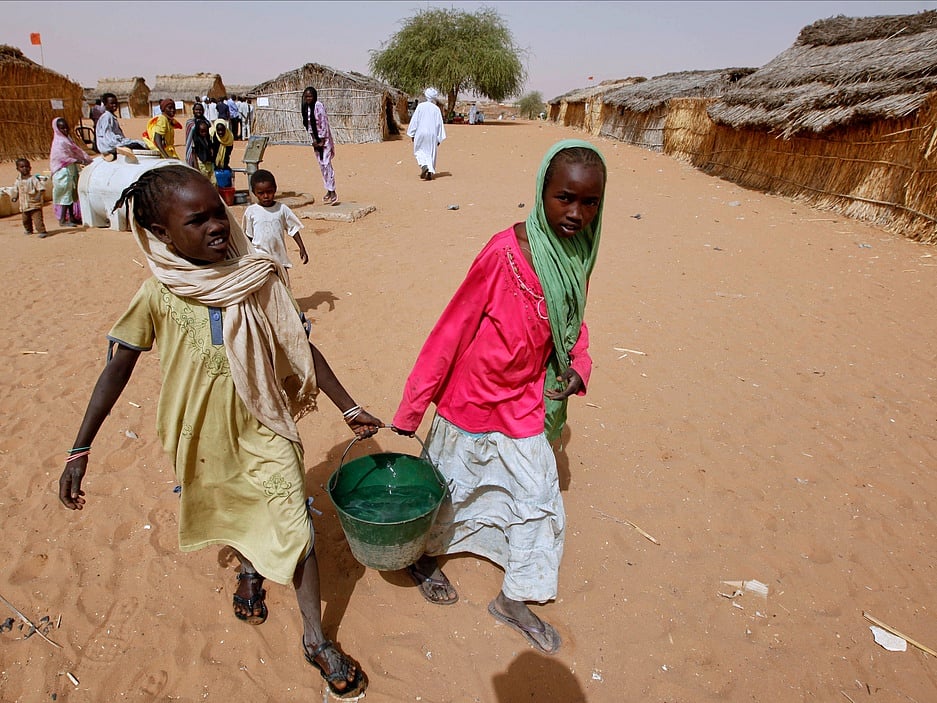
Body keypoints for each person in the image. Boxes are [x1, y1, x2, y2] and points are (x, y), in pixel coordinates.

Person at [58, 164, 381, 698]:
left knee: (297, 530)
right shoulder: (157, 294)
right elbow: (116, 369)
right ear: (161, 233)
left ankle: (316, 638)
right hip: (200, 437)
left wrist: (348, 407)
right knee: (233, 508)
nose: (217, 226)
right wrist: (80, 447)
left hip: (264, 424)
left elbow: (298, 347)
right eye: (197, 219)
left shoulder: (255, 276)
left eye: (219, 212)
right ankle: (251, 569)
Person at [391, 140, 607, 656]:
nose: (576, 213)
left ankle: (515, 598)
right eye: (564, 198)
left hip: (525, 402)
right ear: (541, 193)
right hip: (472, 396)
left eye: (589, 202)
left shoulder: (578, 251)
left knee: (537, 497)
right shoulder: (504, 252)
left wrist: (579, 367)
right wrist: (413, 405)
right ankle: (423, 558)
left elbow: (572, 322)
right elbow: (453, 326)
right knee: (448, 487)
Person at [242, 169, 308, 288]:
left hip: (279, 256)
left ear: (275, 189)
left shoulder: (282, 209)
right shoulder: (251, 212)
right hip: (260, 257)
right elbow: (249, 236)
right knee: (263, 286)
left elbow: (293, 229)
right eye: (261, 193)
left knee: (283, 285)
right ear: (254, 192)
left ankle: (286, 305)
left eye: (269, 192)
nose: (266, 196)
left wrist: (302, 247)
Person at [50, 117, 93, 227]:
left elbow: (75, 151)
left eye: (66, 128)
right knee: (65, 195)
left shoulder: (67, 140)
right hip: (62, 172)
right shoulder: (59, 143)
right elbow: (62, 158)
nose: (65, 130)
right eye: (62, 128)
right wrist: (80, 160)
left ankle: (72, 217)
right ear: (57, 129)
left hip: (70, 170)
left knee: (72, 194)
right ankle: (63, 219)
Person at [300, 87, 338, 205]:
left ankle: (333, 191)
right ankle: (328, 189)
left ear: (314, 96)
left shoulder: (318, 106)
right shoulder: (305, 107)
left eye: (310, 96)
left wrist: (321, 139)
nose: (308, 99)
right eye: (306, 97)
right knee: (322, 165)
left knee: (327, 164)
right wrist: (314, 140)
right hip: (315, 139)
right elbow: (308, 124)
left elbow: (324, 123)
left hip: (324, 139)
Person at [406, 88, 446, 181]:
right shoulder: (436, 109)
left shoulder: (420, 106)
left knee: (419, 151)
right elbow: (439, 124)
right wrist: (439, 138)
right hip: (432, 134)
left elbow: (415, 120)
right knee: (431, 153)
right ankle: (430, 171)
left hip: (420, 133)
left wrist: (412, 133)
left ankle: (424, 165)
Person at [96, 92, 146, 160]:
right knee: (139, 144)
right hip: (109, 146)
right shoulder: (107, 117)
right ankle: (111, 152)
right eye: (112, 103)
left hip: (111, 143)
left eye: (116, 103)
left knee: (136, 142)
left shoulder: (110, 116)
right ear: (105, 104)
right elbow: (108, 137)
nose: (115, 105)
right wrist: (121, 143)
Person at [6, 158, 48, 237]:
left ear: (30, 168)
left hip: (34, 204)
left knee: (37, 220)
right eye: (22, 167)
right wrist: (15, 197)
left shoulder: (33, 179)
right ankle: (29, 230)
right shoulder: (18, 180)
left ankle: (42, 231)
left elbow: (41, 189)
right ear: (17, 169)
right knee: (25, 220)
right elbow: (16, 190)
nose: (25, 168)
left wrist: (38, 197)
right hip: (24, 205)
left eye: (27, 166)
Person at [190, 119, 216, 183]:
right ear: (198, 131)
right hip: (201, 164)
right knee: (205, 182)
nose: (204, 133)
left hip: (209, 163)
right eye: (202, 131)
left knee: (214, 182)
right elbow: (193, 153)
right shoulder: (196, 140)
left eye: (206, 131)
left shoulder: (208, 138)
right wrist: (196, 167)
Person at [184, 101, 207, 168]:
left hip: (203, 150)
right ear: (193, 111)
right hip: (192, 150)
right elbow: (189, 138)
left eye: (200, 110)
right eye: (196, 110)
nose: (198, 111)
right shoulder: (189, 123)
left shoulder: (206, 122)